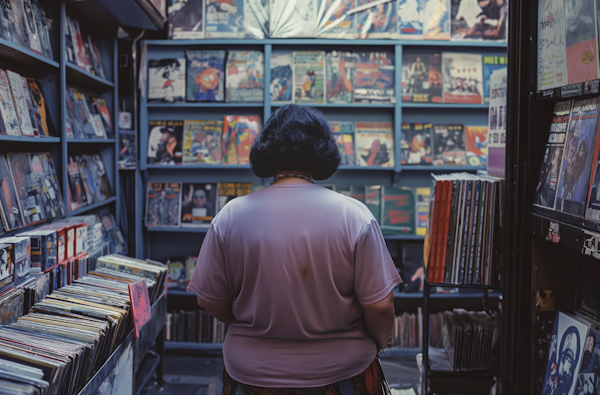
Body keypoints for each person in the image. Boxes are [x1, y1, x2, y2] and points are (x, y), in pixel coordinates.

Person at [188, 104, 401, 393]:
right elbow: (380, 307)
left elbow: (209, 299)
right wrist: (376, 343)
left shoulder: (230, 215)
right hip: (341, 373)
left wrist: (253, 322)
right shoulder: (355, 215)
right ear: (323, 151)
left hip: (251, 374)